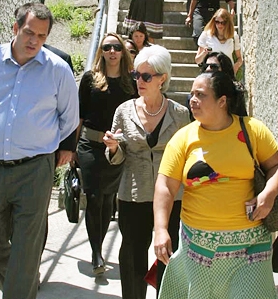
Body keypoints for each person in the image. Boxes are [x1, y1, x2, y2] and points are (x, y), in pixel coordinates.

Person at [0, 3, 79, 299]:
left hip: (34, 169)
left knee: (26, 249)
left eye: (42, 36)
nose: (34, 41)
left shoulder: (57, 70)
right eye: (29, 33)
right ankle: (24, 284)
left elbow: (69, 116)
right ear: (15, 28)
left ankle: (21, 287)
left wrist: (63, 147)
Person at [153, 71, 278, 299]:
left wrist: (270, 193)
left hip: (251, 247)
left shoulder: (252, 130)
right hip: (199, 248)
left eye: (200, 94)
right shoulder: (183, 138)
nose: (192, 100)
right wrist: (160, 229)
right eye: (191, 94)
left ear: (222, 101)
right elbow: (165, 186)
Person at [103, 45, 190, 299]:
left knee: (169, 256)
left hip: (171, 197)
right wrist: (112, 148)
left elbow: (186, 156)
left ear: (162, 79)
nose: (139, 81)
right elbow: (117, 157)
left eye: (146, 76)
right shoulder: (124, 111)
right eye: (137, 75)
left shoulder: (180, 114)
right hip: (133, 193)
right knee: (132, 255)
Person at [77, 32, 137, 275]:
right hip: (90, 145)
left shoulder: (130, 82)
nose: (112, 52)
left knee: (108, 198)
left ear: (123, 52)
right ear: (101, 51)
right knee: (93, 197)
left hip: (117, 148)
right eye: (107, 47)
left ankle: (98, 247)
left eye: (116, 48)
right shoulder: (90, 79)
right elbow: (80, 115)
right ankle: (96, 252)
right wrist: (71, 149)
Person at [195, 8, 243, 76]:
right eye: (217, 22)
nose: (219, 25)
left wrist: (236, 67)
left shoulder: (233, 36)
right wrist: (204, 53)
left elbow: (240, 58)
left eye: (222, 23)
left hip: (228, 75)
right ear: (214, 21)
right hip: (211, 76)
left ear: (227, 23)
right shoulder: (206, 35)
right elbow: (197, 60)